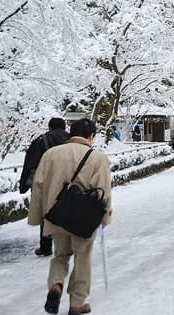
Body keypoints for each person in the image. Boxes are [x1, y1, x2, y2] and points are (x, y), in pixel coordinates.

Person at [28, 118, 112, 315]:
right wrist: (105, 218)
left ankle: (55, 286)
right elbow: (103, 191)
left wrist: (37, 217)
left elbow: (38, 187)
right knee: (82, 258)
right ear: (91, 136)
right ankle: (77, 303)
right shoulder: (97, 157)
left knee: (60, 255)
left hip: (57, 215)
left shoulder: (50, 155)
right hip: (84, 219)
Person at [19, 117, 71, 256]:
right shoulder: (73, 140)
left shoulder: (41, 141)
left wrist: (24, 185)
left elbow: (30, 165)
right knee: (69, 212)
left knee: (46, 214)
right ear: (64, 127)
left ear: (49, 127)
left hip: (47, 183)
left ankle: (46, 247)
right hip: (70, 182)